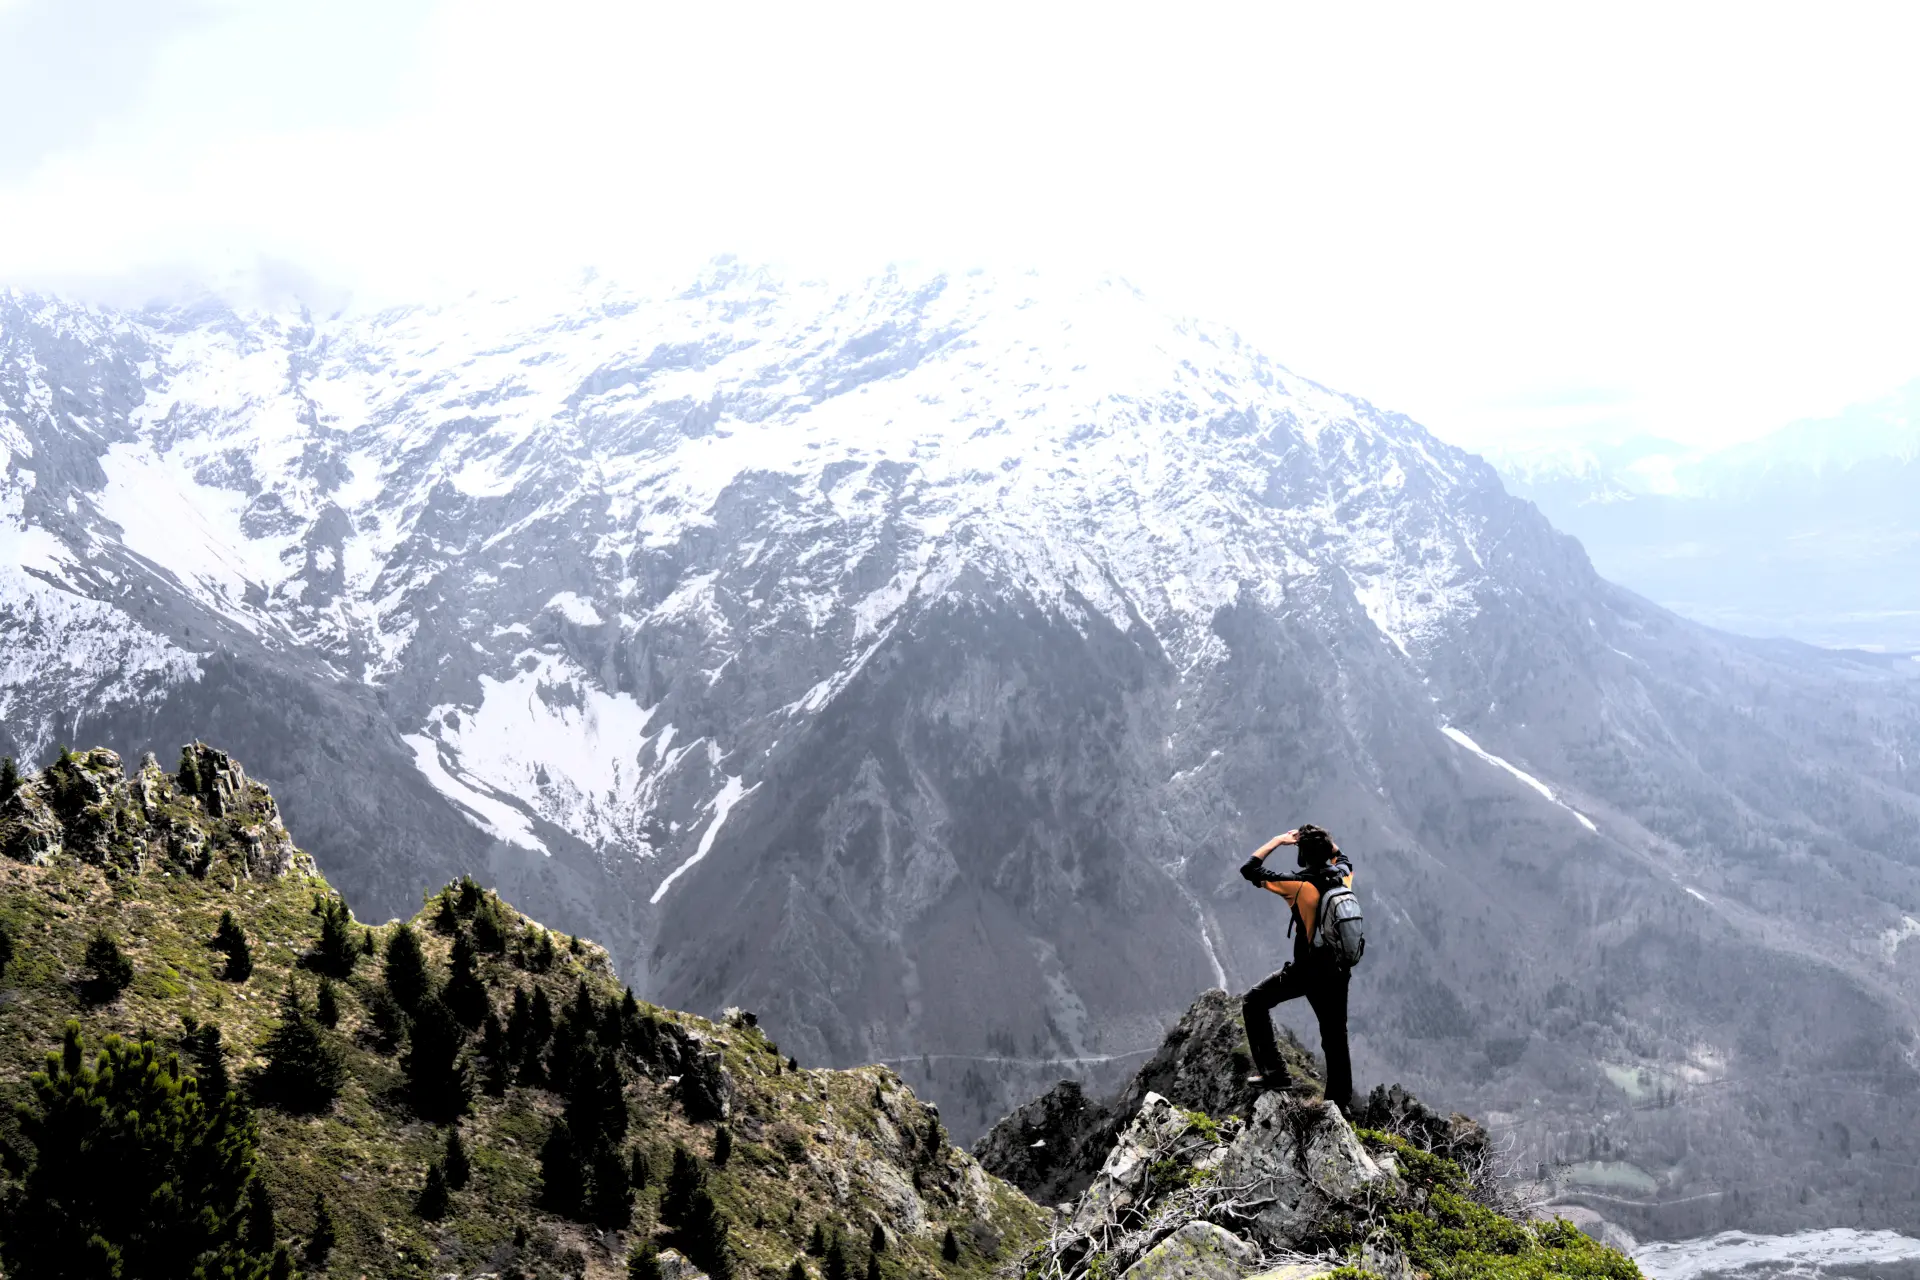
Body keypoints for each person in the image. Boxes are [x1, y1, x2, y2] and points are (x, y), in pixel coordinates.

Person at [1238, 823, 1355, 1111]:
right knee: (1335, 1038)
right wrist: (1327, 841)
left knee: (1254, 1002)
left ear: (1302, 854)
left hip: (1307, 972)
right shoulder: (1342, 877)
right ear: (1327, 852)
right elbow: (1345, 859)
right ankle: (1338, 1106)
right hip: (1338, 973)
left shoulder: (1299, 885)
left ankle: (1275, 1073)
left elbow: (1250, 869)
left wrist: (1278, 840)